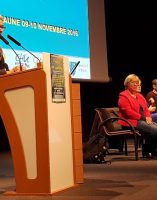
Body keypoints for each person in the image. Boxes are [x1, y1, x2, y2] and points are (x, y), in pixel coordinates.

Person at [118, 74, 157, 158]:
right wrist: (143, 118)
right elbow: (128, 112)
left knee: (154, 129)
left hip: (140, 120)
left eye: (138, 83)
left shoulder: (139, 96)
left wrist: (149, 117)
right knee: (154, 130)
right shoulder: (123, 96)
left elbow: (146, 109)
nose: (137, 85)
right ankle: (148, 151)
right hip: (130, 122)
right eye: (134, 83)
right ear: (128, 84)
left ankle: (149, 151)